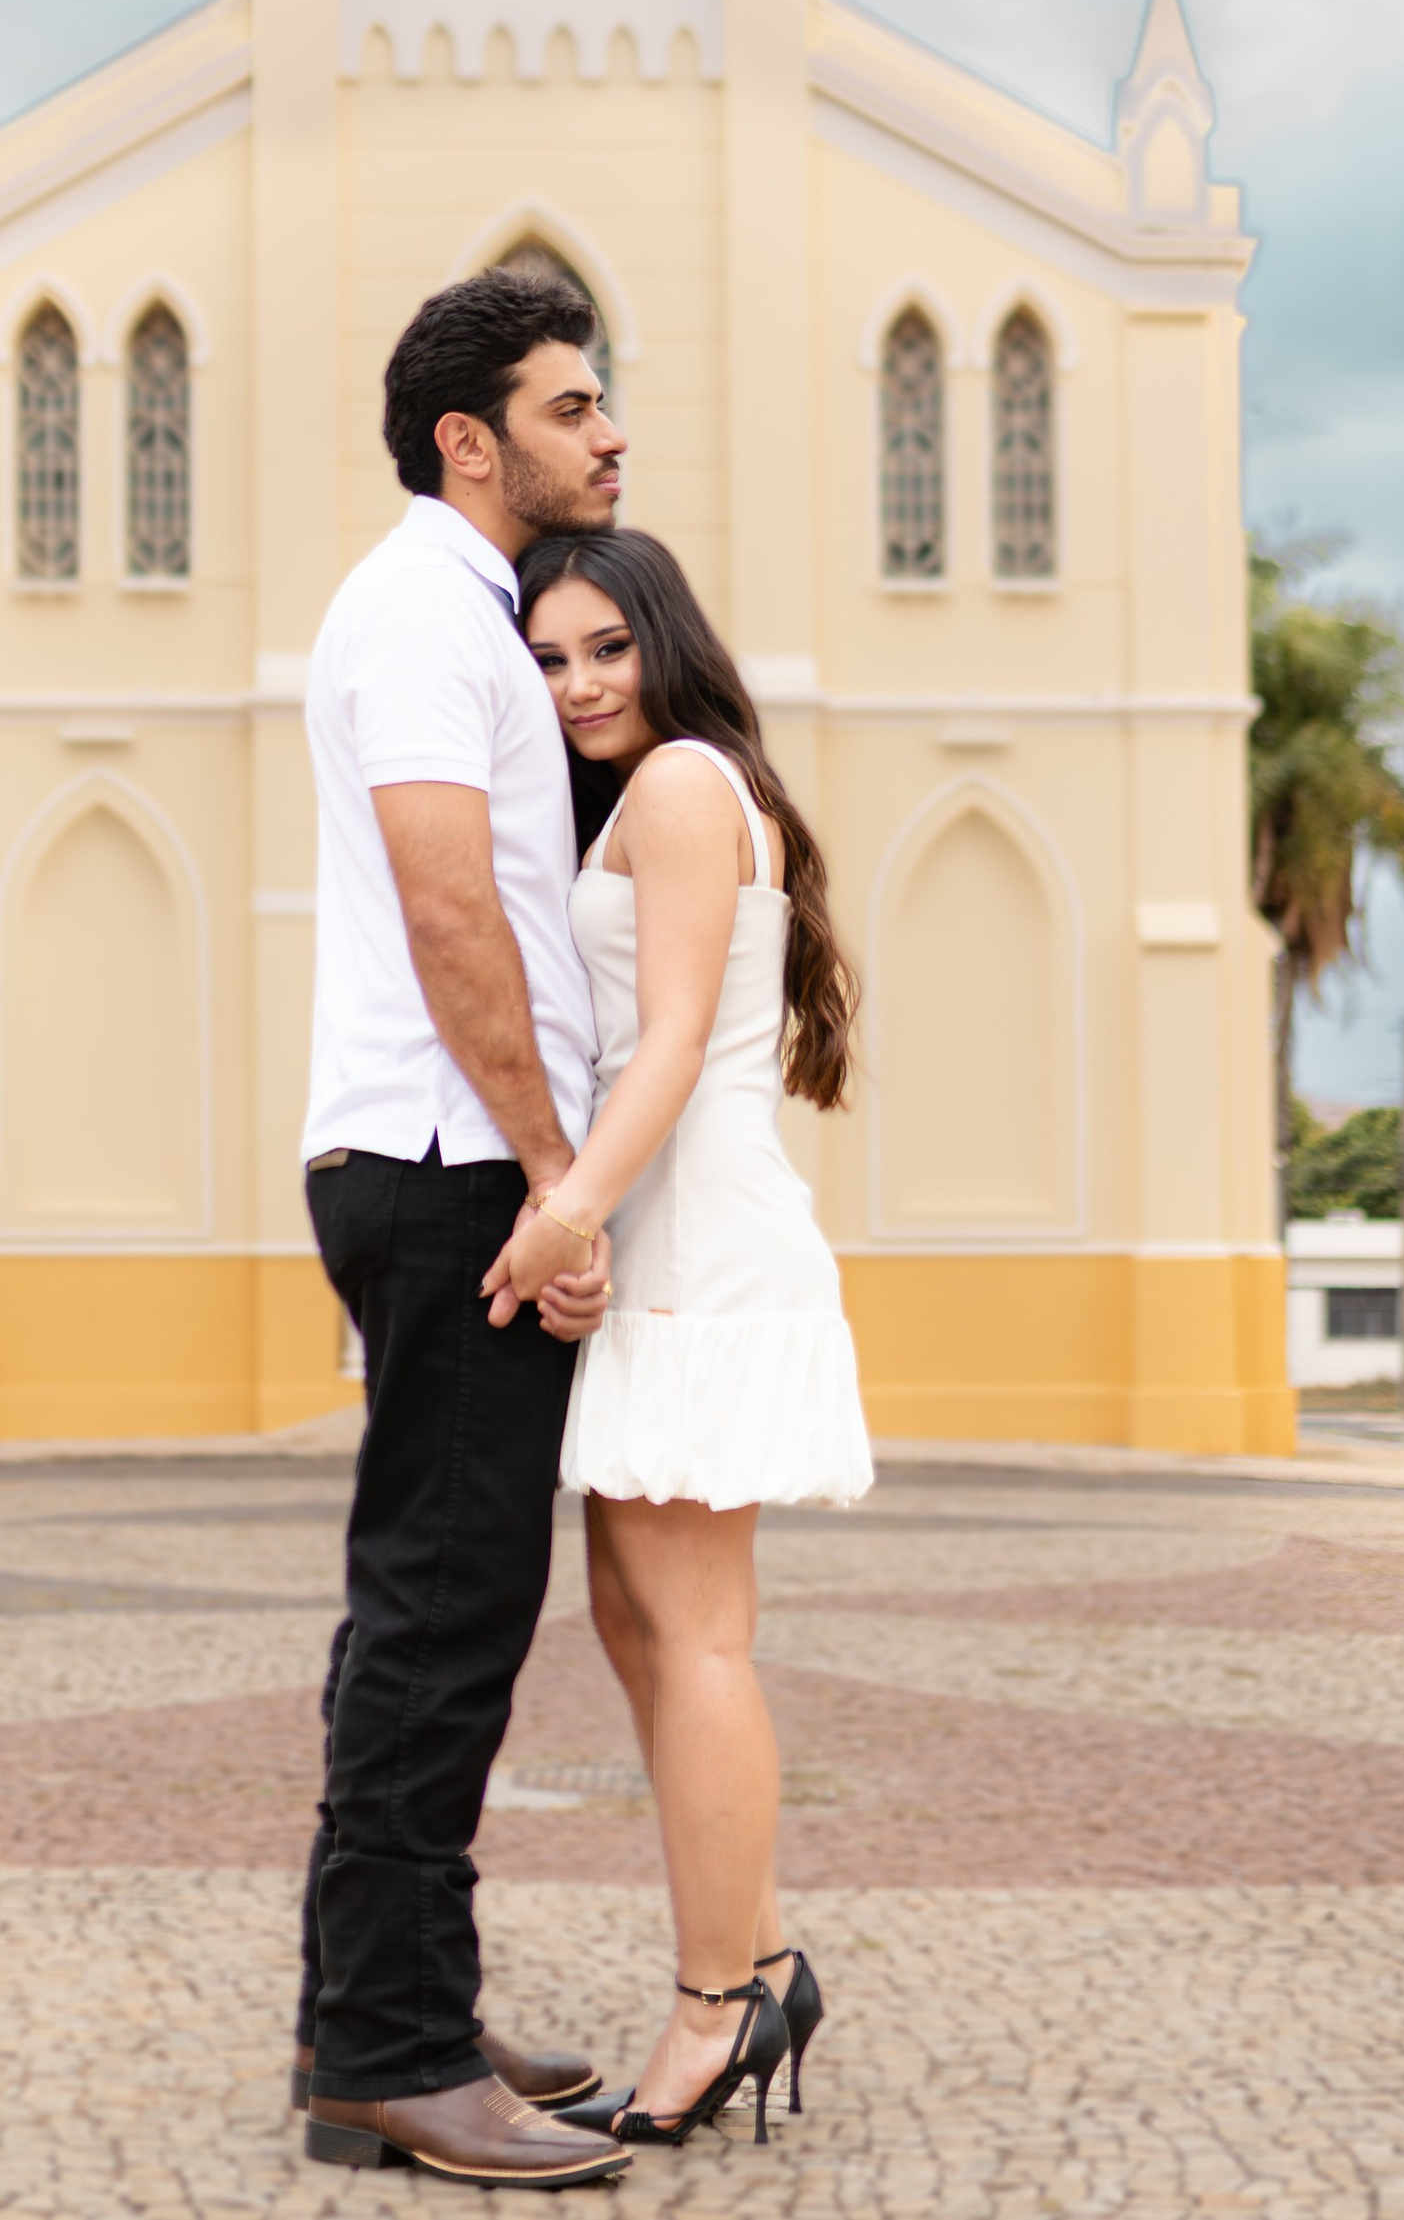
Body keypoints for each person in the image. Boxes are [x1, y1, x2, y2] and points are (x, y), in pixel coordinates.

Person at [295, 269, 635, 2191]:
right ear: (470, 439)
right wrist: (555, 1176)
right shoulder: (424, 614)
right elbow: (451, 916)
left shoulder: (458, 615)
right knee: (443, 1616)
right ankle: (390, 2056)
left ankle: (386, 2001)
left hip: (431, 1162)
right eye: (574, 404)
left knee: (426, 1612)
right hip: (451, 1172)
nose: (609, 433)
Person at [497, 527, 872, 2149]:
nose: (577, 684)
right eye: (548, 661)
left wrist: (566, 1212)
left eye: (603, 648)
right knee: (639, 1622)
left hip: (692, 1237)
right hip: (671, 1227)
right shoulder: (695, 787)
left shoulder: (678, 787)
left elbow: (658, 1050)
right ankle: (762, 1952)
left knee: (695, 1629)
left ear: (664, 636)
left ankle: (717, 2000)